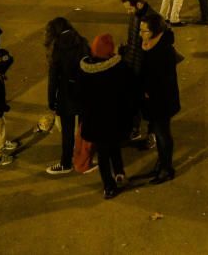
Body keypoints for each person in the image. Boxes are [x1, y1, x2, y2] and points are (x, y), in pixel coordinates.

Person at [79, 34, 138, 199]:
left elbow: (80, 96)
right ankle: (119, 172)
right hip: (116, 118)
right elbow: (130, 92)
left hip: (95, 120)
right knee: (114, 146)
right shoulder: (119, 68)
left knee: (103, 154)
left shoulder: (84, 70)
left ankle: (108, 185)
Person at [45, 18, 90, 175]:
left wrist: (51, 100)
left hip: (66, 94)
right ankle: (85, 160)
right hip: (84, 91)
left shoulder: (57, 47)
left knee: (67, 131)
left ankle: (66, 163)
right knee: (85, 128)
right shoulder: (82, 41)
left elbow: (53, 77)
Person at [139, 13, 181, 185]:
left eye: (144, 31)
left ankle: (166, 168)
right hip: (153, 99)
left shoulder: (163, 51)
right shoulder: (150, 44)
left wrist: (148, 90)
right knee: (159, 132)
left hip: (161, 100)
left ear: (155, 32)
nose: (141, 34)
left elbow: (164, 79)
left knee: (163, 134)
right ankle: (161, 164)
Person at [120, 0, 156, 141]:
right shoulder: (135, 16)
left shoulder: (152, 20)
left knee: (150, 104)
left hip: (145, 68)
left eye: (130, 8)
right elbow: (133, 41)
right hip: (133, 65)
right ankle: (134, 128)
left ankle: (152, 133)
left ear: (139, 4)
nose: (128, 12)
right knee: (134, 100)